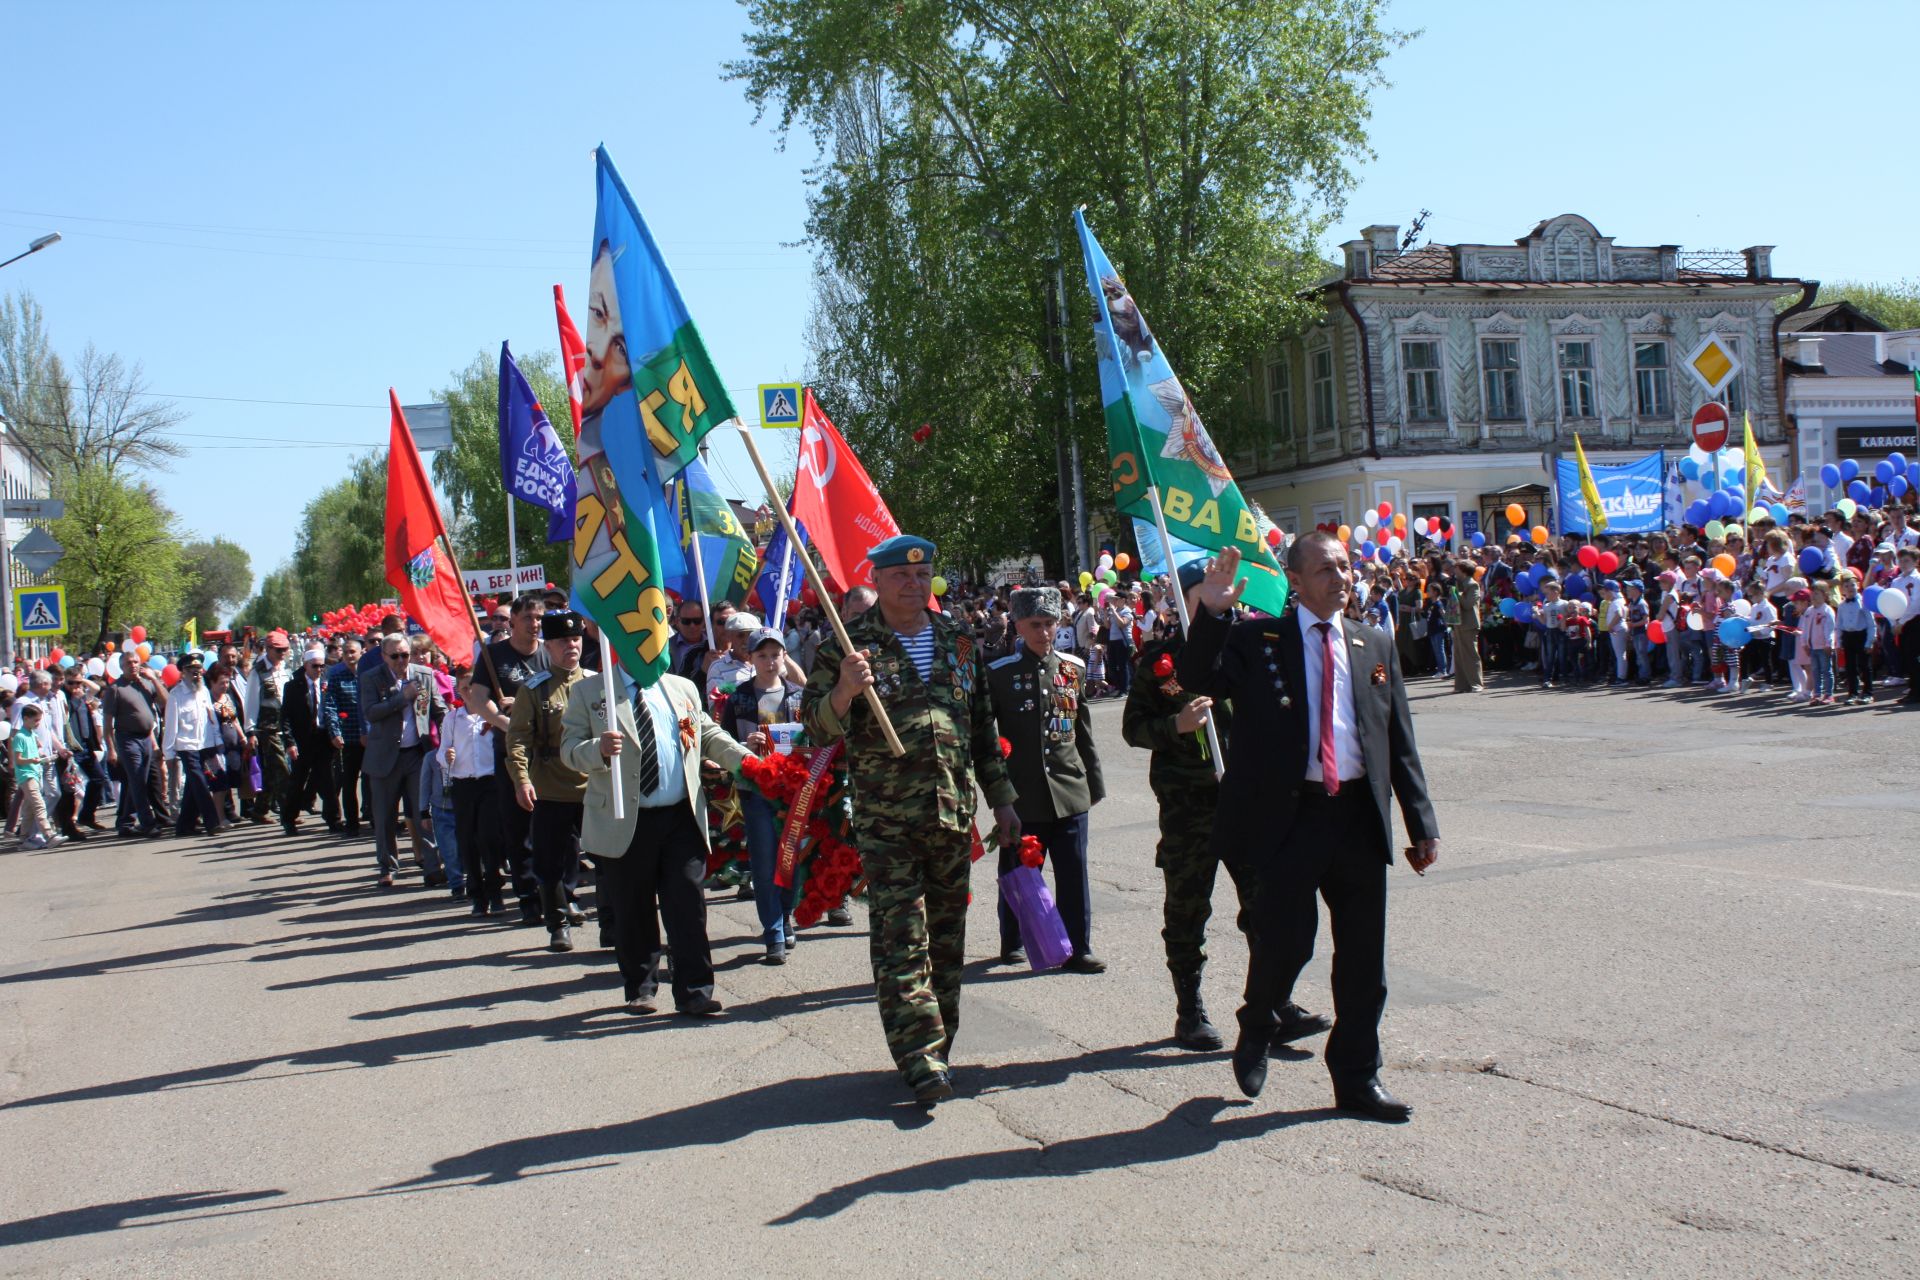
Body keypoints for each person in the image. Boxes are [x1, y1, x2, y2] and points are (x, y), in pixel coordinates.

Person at [1179, 535, 1439, 1123]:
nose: (1340, 576)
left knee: (1363, 963)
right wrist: (1212, 615)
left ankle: (1357, 1079)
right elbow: (1199, 677)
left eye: (1344, 566)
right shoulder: (1257, 639)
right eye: (1325, 568)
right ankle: (1257, 1022)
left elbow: (1398, 740)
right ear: (1295, 579)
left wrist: (1420, 821)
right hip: (1289, 819)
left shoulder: (1373, 641)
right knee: (1287, 942)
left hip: (1355, 817)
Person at [801, 533, 1020, 1106]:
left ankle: (939, 1044)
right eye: (901, 575)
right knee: (901, 938)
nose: (914, 584)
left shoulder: (958, 641)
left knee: (947, 941)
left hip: (950, 814)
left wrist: (1002, 800)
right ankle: (919, 1058)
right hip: (887, 823)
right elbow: (816, 731)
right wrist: (845, 691)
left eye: (923, 576)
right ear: (877, 580)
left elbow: (981, 732)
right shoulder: (847, 649)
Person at [561, 632, 750, 1018]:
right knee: (634, 909)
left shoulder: (680, 687)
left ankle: (695, 990)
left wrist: (744, 761)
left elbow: (707, 733)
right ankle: (641, 988)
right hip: (624, 818)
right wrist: (595, 750)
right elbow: (568, 751)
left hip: (680, 815)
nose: (658, 649)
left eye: (662, 641)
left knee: (687, 906)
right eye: (649, 642)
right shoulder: (592, 691)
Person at [984, 586, 1106, 972]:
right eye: (1035, 624)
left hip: (1069, 790)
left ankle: (1079, 946)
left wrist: (1093, 784)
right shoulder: (999, 674)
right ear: (1019, 625)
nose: (1044, 632)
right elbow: (988, 738)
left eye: (1050, 623)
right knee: (1020, 869)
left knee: (1074, 873)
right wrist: (999, 792)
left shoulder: (1072, 668)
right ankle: (1014, 939)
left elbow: (1082, 731)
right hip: (1023, 793)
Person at [505, 612, 591, 951]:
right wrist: (521, 779)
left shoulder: (597, 682)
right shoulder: (535, 688)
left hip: (593, 786)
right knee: (549, 859)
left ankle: (613, 923)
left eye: (575, 639)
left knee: (610, 857)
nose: (571, 645)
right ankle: (557, 924)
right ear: (549, 646)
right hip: (552, 787)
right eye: (562, 641)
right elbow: (518, 739)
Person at [723, 628, 807, 963]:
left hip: (793, 790)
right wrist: (745, 747)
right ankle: (772, 931)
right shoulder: (739, 698)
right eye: (762, 656)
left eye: (776, 655)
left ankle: (786, 915)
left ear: (785, 656)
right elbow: (723, 740)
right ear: (751, 659)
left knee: (793, 858)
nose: (770, 662)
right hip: (755, 789)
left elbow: (815, 739)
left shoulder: (799, 696)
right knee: (763, 859)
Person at [468, 594, 547, 921]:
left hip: (549, 754)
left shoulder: (549, 653)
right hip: (510, 756)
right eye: (528, 617)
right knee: (518, 829)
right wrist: (507, 725)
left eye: (539, 617)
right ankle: (528, 897)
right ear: (512, 620)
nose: (535, 623)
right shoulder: (492, 656)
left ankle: (558, 893)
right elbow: (478, 699)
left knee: (554, 827)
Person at [362, 633, 448, 889]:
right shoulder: (371, 677)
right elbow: (371, 712)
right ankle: (387, 866)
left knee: (424, 811)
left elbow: (439, 709)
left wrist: (447, 737)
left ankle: (432, 867)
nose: (401, 661)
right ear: (384, 656)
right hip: (384, 757)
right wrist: (402, 698)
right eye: (395, 656)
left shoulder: (424, 674)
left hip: (417, 754)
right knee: (385, 814)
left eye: (405, 655)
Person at [440, 665, 505, 915]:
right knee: (467, 841)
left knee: (489, 838)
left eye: (472, 687)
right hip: (463, 783)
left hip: (489, 782)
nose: (468, 693)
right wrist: (447, 756)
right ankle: (477, 895)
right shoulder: (452, 718)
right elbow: (441, 753)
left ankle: (495, 891)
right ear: (458, 690)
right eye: (464, 688)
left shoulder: (491, 715)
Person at [162, 653, 223, 838]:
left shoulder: (204, 691)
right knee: (200, 783)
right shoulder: (176, 695)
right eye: (192, 671)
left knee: (192, 786)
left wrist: (217, 741)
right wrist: (169, 753)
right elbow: (171, 725)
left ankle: (184, 825)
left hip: (204, 744)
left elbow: (211, 718)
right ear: (183, 673)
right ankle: (212, 822)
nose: (197, 675)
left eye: (199, 671)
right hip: (186, 746)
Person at [281, 647, 340, 833]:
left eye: (322, 666)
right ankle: (289, 819)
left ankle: (333, 819)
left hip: (323, 738)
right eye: (315, 666)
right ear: (306, 665)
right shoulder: (293, 687)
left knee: (328, 780)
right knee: (297, 781)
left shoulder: (327, 683)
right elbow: (286, 717)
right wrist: (289, 742)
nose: (319, 670)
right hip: (303, 740)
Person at [105, 659, 163, 838]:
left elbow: (166, 700)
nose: (133, 665)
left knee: (137, 781)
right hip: (127, 739)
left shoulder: (145, 685)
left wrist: (153, 680)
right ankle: (147, 823)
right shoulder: (116, 689)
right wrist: (111, 749)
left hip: (146, 737)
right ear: (122, 667)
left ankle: (125, 821)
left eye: (136, 662)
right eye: (129, 663)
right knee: (137, 781)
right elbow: (107, 723)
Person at [243, 630, 292, 824]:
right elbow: (251, 703)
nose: (282, 654)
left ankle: (260, 809)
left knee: (271, 772)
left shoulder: (284, 668)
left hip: (284, 726)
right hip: (267, 728)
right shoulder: (258, 672)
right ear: (269, 649)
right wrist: (251, 730)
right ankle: (290, 811)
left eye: (285, 650)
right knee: (282, 769)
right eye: (278, 650)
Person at [321, 637, 366, 834]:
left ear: (361, 653)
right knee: (348, 782)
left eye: (352, 652)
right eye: (345, 652)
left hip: (370, 738)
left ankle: (373, 816)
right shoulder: (337, 677)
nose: (348, 656)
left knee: (373, 780)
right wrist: (335, 732)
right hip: (349, 738)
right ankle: (352, 822)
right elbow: (330, 707)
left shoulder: (369, 676)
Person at [11, 703, 58, 849]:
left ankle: (23, 840)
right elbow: (18, 759)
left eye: (39, 720)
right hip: (27, 775)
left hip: (35, 772)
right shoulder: (19, 736)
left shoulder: (32, 734)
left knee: (29, 809)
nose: (38, 723)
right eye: (35, 720)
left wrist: (43, 755)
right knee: (39, 805)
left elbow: (35, 752)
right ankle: (49, 835)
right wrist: (33, 759)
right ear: (26, 718)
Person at [1836, 575, 1877, 706]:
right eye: (1846, 586)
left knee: (1865, 666)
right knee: (1850, 667)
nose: (1850, 588)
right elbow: (1839, 624)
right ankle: (1852, 693)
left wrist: (1869, 641)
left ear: (1858, 586)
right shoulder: (1842, 605)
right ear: (1842, 590)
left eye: (1852, 585)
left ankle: (1868, 693)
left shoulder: (1863, 603)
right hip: (1848, 637)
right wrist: (1839, 641)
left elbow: (1871, 623)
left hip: (1862, 636)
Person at [1452, 559, 1483, 693]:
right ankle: (1461, 685)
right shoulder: (1458, 584)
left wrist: (1457, 595)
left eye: (1457, 568)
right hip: (1458, 622)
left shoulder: (1472, 585)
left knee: (1470, 654)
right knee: (1459, 655)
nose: (1454, 571)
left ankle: (1476, 683)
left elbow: (1468, 604)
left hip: (1469, 623)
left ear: (1464, 571)